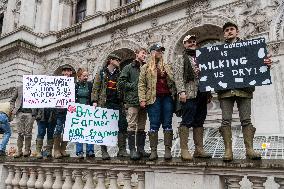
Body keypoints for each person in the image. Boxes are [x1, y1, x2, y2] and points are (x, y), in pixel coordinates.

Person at [218, 22, 272, 161]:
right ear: (224, 34)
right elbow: (213, 69)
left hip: (245, 90)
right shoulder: (217, 51)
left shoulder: (249, 48)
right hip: (225, 91)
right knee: (225, 121)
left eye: (232, 29)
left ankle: (249, 149)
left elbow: (257, 64)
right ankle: (228, 151)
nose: (229, 32)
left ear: (237, 32)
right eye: (227, 30)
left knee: (246, 120)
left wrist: (266, 64)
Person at [173, 35, 212, 161]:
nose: (192, 43)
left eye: (194, 41)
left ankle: (199, 149)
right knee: (187, 120)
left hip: (202, 92)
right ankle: (184, 149)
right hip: (189, 94)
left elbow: (208, 75)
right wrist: (181, 92)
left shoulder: (202, 57)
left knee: (199, 120)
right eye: (189, 42)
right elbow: (178, 76)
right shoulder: (180, 58)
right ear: (184, 44)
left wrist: (209, 92)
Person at [138, 44, 176, 161]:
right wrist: (142, 99)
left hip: (167, 97)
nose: (160, 52)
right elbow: (141, 84)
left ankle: (167, 150)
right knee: (154, 124)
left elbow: (174, 79)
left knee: (167, 123)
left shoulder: (167, 65)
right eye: (158, 50)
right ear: (152, 52)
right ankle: (153, 151)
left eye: (161, 51)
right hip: (153, 99)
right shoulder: (145, 67)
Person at [92, 54, 128, 160]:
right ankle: (104, 151)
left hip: (118, 103)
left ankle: (122, 150)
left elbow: (123, 88)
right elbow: (95, 88)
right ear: (111, 60)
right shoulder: (101, 73)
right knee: (104, 127)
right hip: (105, 103)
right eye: (117, 59)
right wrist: (94, 101)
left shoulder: (119, 73)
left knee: (122, 125)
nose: (119, 61)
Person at [118, 48, 150, 160]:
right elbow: (121, 82)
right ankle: (132, 150)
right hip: (132, 100)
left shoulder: (146, 67)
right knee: (132, 124)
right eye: (143, 53)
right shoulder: (128, 67)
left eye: (146, 53)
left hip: (144, 100)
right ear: (136, 54)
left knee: (142, 125)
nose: (144, 55)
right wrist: (133, 85)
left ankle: (141, 149)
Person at [53, 65, 73, 159]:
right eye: (64, 71)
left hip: (70, 111)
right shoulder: (57, 83)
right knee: (59, 129)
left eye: (68, 71)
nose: (66, 73)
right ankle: (56, 150)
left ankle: (63, 149)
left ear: (71, 73)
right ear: (62, 72)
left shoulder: (74, 84)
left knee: (67, 130)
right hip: (59, 110)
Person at [75, 68, 95, 159]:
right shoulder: (75, 86)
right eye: (84, 76)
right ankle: (79, 151)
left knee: (90, 130)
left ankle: (90, 150)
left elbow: (93, 95)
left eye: (87, 76)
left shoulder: (90, 85)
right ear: (79, 77)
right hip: (78, 111)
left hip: (88, 110)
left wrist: (94, 101)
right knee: (79, 131)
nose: (86, 77)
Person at [11, 85, 35, 158]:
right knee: (20, 133)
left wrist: (35, 112)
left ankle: (27, 150)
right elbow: (12, 100)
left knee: (28, 133)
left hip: (30, 113)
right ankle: (19, 151)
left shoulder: (34, 88)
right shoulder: (19, 88)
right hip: (19, 112)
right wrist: (13, 109)